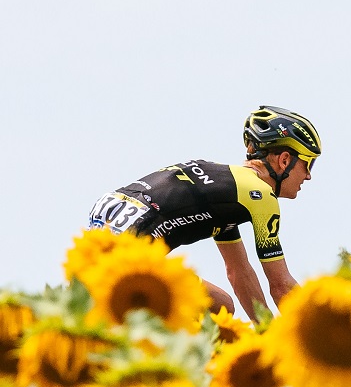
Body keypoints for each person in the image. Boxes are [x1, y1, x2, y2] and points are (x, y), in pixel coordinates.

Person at [85, 106, 322, 321]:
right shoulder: (259, 194)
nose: (309, 176)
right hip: (127, 256)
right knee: (219, 308)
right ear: (284, 160)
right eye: (308, 164)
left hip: (98, 241)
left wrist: (265, 333)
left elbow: (238, 272)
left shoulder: (229, 190)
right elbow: (281, 286)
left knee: (220, 305)